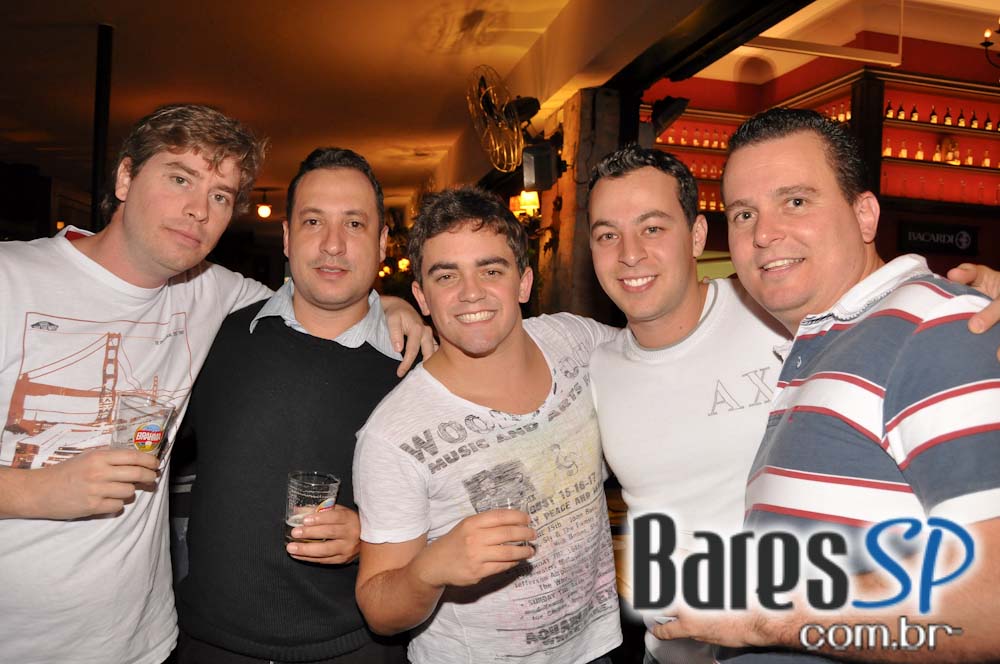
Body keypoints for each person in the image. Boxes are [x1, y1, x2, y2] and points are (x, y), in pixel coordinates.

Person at [0, 104, 427, 664]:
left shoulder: (214, 298)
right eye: (180, 178)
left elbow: (322, 299)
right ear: (125, 177)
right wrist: (35, 492)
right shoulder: (10, 279)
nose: (198, 210)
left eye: (220, 196)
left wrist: (389, 305)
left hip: (143, 643)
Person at [654, 108, 1000, 661]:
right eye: (744, 214)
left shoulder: (941, 325)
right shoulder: (824, 342)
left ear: (865, 215)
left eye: (795, 201)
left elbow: (992, 602)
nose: (763, 233)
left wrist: (763, 618)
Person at [353, 186, 623, 664]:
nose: (471, 292)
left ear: (524, 282)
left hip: (599, 648)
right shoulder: (391, 435)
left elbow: (660, 360)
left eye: (491, 270)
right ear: (422, 297)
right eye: (446, 276)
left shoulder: (576, 339)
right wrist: (430, 570)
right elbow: (379, 610)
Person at [173, 147, 408, 663]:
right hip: (211, 645)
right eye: (312, 221)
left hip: (356, 649)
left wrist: (374, 538)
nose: (332, 244)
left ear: (382, 242)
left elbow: (457, 515)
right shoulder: (215, 336)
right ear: (286, 237)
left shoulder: (418, 367)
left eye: (354, 223)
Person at [587, 144, 789, 664]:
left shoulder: (774, 312)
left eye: (652, 228)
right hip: (668, 653)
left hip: (789, 645)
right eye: (608, 235)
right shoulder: (594, 367)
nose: (629, 254)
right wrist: (396, 314)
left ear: (697, 236)